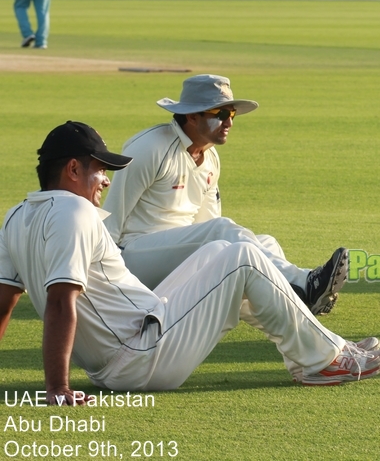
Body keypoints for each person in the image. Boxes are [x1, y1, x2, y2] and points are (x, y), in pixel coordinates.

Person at [0, 122, 380, 402]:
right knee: (242, 258)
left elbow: (4, 302)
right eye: (100, 168)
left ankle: (316, 350)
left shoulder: (14, 217)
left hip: (133, 345)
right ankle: (325, 360)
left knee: (221, 254)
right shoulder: (75, 213)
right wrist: (58, 388)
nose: (105, 179)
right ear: (72, 168)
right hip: (140, 356)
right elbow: (59, 302)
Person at [102, 74, 347, 315]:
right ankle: (303, 284)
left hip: (180, 261)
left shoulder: (210, 159)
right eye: (220, 115)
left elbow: (207, 226)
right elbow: (112, 223)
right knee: (222, 231)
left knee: (264, 244)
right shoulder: (149, 148)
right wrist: (105, 288)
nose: (229, 123)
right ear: (192, 116)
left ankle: (295, 308)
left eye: (231, 114)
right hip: (134, 260)